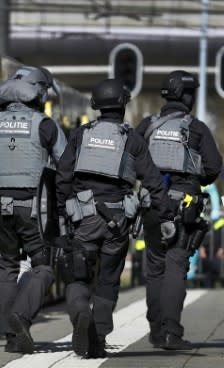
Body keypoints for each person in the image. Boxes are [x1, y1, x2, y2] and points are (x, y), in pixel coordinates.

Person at [55, 78, 176, 358]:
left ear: (96, 105)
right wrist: (166, 216)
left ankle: (80, 315)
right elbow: (154, 182)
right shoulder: (131, 139)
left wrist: (62, 211)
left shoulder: (81, 135)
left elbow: (62, 176)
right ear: (122, 104)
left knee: (78, 276)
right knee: (109, 279)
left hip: (82, 219)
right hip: (118, 221)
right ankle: (97, 336)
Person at [0, 65, 66, 354]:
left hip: (0, 210)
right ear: (38, 92)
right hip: (34, 213)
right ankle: (20, 318)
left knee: (7, 270)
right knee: (44, 268)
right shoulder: (46, 125)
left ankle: (11, 339)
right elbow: (66, 166)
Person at [136, 70, 222, 350]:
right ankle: (172, 333)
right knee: (175, 266)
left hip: (150, 205)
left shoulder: (147, 125)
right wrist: (195, 180)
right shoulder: (195, 128)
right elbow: (213, 167)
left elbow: (130, 160)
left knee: (155, 268)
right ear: (187, 96)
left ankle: (156, 331)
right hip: (182, 207)